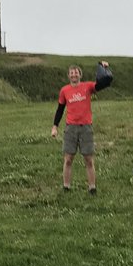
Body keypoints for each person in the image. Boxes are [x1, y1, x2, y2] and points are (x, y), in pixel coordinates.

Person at [50, 62, 110, 193]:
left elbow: (103, 84)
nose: (74, 75)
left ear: (80, 75)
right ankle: (66, 186)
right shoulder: (64, 90)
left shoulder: (88, 86)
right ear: (68, 76)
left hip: (86, 128)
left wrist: (104, 68)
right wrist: (55, 126)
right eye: (71, 73)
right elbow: (60, 109)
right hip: (71, 128)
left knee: (89, 159)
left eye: (76, 73)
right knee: (68, 159)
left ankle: (92, 188)